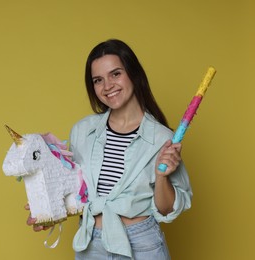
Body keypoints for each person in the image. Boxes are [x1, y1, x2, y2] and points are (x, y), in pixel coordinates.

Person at [26, 39, 192, 260]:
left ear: (133, 74)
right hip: (90, 245)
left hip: (141, 245)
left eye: (116, 74)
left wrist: (162, 178)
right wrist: (48, 209)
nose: (107, 86)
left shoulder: (163, 138)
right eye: (98, 80)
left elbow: (167, 210)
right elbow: (77, 192)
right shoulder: (82, 131)